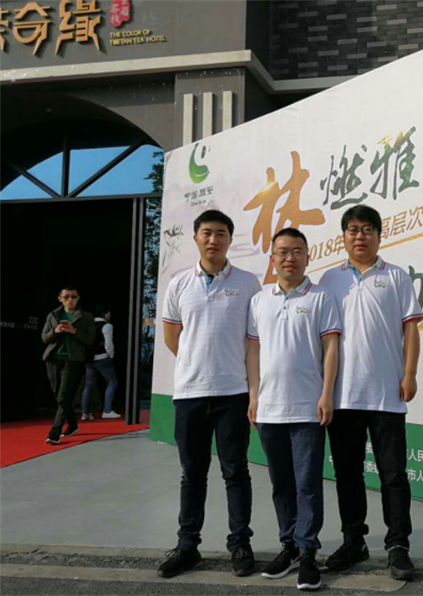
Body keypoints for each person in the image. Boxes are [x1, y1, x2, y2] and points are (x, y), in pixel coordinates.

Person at [319, 205, 423, 581]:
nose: (359, 236)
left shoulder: (396, 276)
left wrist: (409, 374)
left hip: (386, 395)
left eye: (367, 229)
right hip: (343, 396)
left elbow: (410, 329)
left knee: (393, 475)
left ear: (379, 235)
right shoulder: (329, 280)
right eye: (352, 229)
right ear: (343, 237)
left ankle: (398, 546)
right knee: (348, 474)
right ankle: (354, 541)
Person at [157, 210, 262, 579]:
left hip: (233, 393)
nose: (213, 239)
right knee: (192, 474)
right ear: (196, 238)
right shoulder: (178, 283)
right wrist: (196, 362)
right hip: (190, 394)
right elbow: (173, 338)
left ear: (230, 239)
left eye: (220, 233)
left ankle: (240, 544)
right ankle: (187, 546)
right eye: (207, 232)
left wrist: (252, 390)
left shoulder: (248, 283)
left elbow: (254, 342)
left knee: (236, 471)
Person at [246, 228, 341, 591]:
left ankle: (308, 552)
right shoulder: (259, 301)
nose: (290, 258)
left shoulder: (321, 297)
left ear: (307, 256)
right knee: (281, 484)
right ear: (272, 258)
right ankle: (289, 546)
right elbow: (254, 351)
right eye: (283, 252)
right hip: (269, 409)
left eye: (297, 251)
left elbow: (331, 348)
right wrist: (253, 396)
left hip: (307, 408)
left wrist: (326, 394)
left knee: (308, 484)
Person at [41, 285, 96, 445]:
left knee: (63, 395)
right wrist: (55, 331)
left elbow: (90, 340)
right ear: (60, 299)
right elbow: (44, 338)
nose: (70, 300)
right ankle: (72, 425)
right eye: (66, 297)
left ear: (78, 299)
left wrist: (74, 331)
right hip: (53, 359)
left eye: (73, 297)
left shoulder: (86, 317)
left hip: (72, 361)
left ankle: (54, 433)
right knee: (59, 396)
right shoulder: (53, 315)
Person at [80, 304, 121, 420]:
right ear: (105, 314)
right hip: (103, 358)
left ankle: (85, 413)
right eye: (109, 313)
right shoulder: (107, 326)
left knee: (88, 385)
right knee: (112, 383)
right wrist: (111, 356)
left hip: (89, 359)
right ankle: (107, 410)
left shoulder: (88, 326)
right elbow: (108, 344)